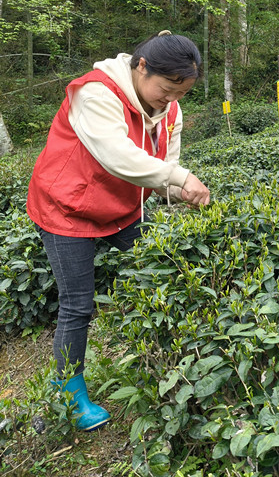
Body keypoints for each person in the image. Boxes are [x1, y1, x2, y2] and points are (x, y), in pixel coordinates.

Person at [26, 31, 210, 431]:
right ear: (142, 67)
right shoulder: (97, 93)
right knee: (78, 305)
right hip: (67, 206)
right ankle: (69, 395)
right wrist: (180, 176)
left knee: (161, 270)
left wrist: (179, 190)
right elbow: (117, 156)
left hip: (123, 207)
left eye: (181, 93)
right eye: (167, 89)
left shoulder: (171, 112)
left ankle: (167, 362)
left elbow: (163, 169)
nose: (171, 100)